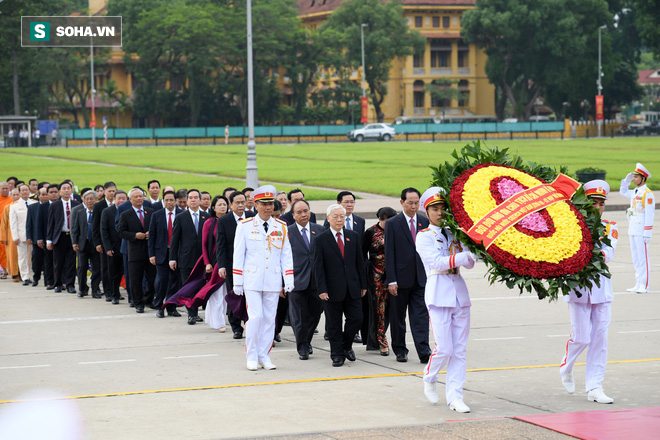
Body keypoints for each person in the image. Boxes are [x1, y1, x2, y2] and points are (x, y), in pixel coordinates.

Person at [416, 186, 476, 413]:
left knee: (460, 350)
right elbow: (437, 263)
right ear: (427, 212)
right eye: (435, 209)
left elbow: (469, 263)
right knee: (444, 348)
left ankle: (455, 396)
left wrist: (474, 247)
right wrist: (465, 255)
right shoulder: (424, 237)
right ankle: (430, 376)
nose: (440, 213)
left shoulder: (455, 233)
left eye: (443, 208)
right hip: (439, 293)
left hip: (459, 293)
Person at [560, 180, 618, 405]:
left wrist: (592, 254)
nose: (598, 207)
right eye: (594, 202)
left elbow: (608, 252)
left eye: (601, 203)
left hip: (602, 289)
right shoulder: (571, 227)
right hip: (579, 288)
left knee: (599, 340)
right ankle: (566, 366)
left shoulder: (610, 227)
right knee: (582, 337)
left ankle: (595, 386)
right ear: (585, 203)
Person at [233, 185, 294, 371]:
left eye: (270, 203)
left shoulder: (281, 226)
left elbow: (286, 254)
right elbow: (239, 254)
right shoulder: (245, 226)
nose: (268, 207)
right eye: (264, 204)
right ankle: (251, 355)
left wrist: (288, 279)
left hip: (273, 279)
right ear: (256, 205)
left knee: (269, 319)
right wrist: (238, 280)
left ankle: (264, 355)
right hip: (252, 279)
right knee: (255, 317)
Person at [314, 203, 366, 367]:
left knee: (357, 319)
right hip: (331, 289)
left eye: (341, 217)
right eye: (335, 217)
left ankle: (345, 345)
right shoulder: (320, 239)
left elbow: (360, 262)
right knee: (334, 324)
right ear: (328, 218)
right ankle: (337, 354)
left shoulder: (353, 236)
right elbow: (318, 267)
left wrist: (363, 284)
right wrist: (321, 289)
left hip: (353, 287)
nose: (338, 220)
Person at [384, 187, 432, 363]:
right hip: (399, 280)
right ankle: (400, 349)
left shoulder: (424, 221)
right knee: (398, 318)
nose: (413, 206)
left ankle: (424, 350)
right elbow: (389, 253)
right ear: (401, 202)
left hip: (420, 279)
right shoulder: (393, 224)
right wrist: (392, 280)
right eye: (410, 203)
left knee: (420, 316)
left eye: (416, 203)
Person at [287, 199, 324, 360]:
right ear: (293, 215)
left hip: (317, 281)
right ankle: (302, 346)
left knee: (315, 314)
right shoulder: (287, 232)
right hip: (296, 280)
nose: (303, 214)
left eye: (306, 211)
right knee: (299, 317)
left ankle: (306, 340)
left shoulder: (320, 230)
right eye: (299, 212)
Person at [216, 190, 255, 338]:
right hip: (233, 266)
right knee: (235, 294)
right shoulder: (224, 221)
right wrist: (222, 265)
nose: (240, 205)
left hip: (251, 265)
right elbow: (221, 245)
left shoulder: (252, 217)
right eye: (237, 203)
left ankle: (250, 323)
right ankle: (235, 326)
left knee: (251, 296)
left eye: (242, 202)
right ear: (230, 205)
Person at [169, 189, 209, 324]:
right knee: (189, 287)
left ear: (200, 200)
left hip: (203, 259)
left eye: (196, 197)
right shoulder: (181, 217)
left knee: (201, 287)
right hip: (186, 259)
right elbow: (175, 239)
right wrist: (172, 258)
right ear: (187, 200)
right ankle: (191, 314)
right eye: (190, 197)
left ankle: (197, 311)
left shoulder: (206, 217)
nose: (193, 200)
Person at [362, 207, 397, 356]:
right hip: (376, 276)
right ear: (379, 220)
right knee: (379, 310)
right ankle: (381, 341)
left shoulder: (396, 231)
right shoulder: (370, 232)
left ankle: (381, 339)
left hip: (395, 274)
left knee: (392, 310)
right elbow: (362, 255)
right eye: (385, 222)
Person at [118, 188, 156, 313]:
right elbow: (121, 232)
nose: (139, 199)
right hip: (135, 251)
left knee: (152, 278)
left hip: (150, 251)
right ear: (130, 200)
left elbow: (157, 228)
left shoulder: (150, 212)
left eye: (141, 196)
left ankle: (149, 300)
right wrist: (135, 236)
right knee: (135, 279)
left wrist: (151, 233)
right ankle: (138, 302)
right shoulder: (126, 214)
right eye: (136, 197)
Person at [619, 163, 654, 293]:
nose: (634, 179)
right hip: (633, 227)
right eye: (633, 177)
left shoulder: (647, 194)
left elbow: (650, 214)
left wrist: (647, 232)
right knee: (635, 257)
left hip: (642, 229)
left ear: (643, 178)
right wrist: (625, 181)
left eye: (636, 177)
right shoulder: (635, 191)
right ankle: (638, 282)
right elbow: (623, 191)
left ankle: (644, 285)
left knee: (643, 258)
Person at [195, 195, 229, 330]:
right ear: (213, 207)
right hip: (215, 262)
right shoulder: (209, 223)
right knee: (216, 292)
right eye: (219, 205)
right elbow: (204, 245)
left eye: (225, 204)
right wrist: (207, 263)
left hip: (228, 261)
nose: (223, 207)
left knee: (226, 293)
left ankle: (215, 319)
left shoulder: (229, 221)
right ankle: (219, 323)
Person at [148, 190, 182, 317]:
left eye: (171, 200)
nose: (169, 202)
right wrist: (151, 254)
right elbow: (152, 236)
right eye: (166, 200)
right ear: (163, 201)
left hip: (177, 253)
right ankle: (159, 306)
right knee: (163, 280)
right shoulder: (157, 215)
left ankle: (171, 306)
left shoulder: (181, 214)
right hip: (161, 252)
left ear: (175, 201)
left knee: (175, 281)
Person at [46, 181, 80, 293]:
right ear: (60, 191)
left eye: (68, 188)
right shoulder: (54, 205)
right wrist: (49, 240)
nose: (66, 190)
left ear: (71, 190)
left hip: (72, 237)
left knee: (71, 262)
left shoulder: (76, 205)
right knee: (58, 262)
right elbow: (50, 223)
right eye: (64, 188)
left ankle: (70, 284)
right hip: (59, 236)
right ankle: (58, 284)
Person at [70, 190, 101, 298]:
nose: (89, 201)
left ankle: (95, 289)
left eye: (91, 199)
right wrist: (74, 242)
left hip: (96, 245)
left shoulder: (100, 212)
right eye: (87, 199)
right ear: (83, 200)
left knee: (97, 268)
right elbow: (74, 229)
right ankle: (82, 288)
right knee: (82, 267)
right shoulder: (79, 212)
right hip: (82, 244)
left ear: (96, 200)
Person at [101, 190, 127, 304]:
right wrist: (107, 247)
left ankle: (119, 292)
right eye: (119, 198)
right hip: (113, 247)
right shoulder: (107, 211)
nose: (121, 201)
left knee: (123, 272)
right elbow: (104, 230)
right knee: (113, 272)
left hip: (126, 247)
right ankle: (114, 294)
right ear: (114, 199)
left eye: (123, 199)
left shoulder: (129, 211)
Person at [91, 182, 116, 301]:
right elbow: (95, 226)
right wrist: (97, 243)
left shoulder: (119, 205)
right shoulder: (99, 206)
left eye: (114, 191)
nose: (112, 193)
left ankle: (115, 291)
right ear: (104, 192)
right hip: (104, 243)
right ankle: (108, 292)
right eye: (110, 191)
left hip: (116, 242)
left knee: (116, 269)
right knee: (106, 268)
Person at [9, 184, 36, 285]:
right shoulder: (15, 206)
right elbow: (13, 223)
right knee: (22, 257)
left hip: (33, 236)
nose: (25, 192)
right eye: (23, 190)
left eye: (26, 190)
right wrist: (15, 237)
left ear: (29, 191)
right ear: (19, 192)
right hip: (21, 235)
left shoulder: (34, 203)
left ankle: (32, 275)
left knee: (32, 257)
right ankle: (25, 277)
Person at [36, 183, 59, 289]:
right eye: (51, 192)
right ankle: (49, 281)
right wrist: (40, 238)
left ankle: (60, 281)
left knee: (60, 260)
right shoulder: (43, 207)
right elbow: (39, 223)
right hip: (46, 238)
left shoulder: (61, 204)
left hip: (60, 237)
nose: (53, 194)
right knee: (48, 260)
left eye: (55, 192)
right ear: (48, 194)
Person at [26, 186, 48, 286]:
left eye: (46, 194)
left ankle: (48, 280)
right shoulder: (32, 207)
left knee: (48, 261)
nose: (45, 196)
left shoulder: (51, 206)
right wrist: (29, 236)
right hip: (36, 238)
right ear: (38, 196)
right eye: (43, 195)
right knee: (37, 260)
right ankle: (36, 277)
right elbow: (29, 223)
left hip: (49, 238)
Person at [0, 182, 14, 279]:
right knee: (2, 250)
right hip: (1, 228)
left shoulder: (11, 199)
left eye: (6, 188)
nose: (5, 190)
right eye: (3, 188)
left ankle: (13, 270)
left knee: (10, 250)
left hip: (11, 228)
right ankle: (4, 271)